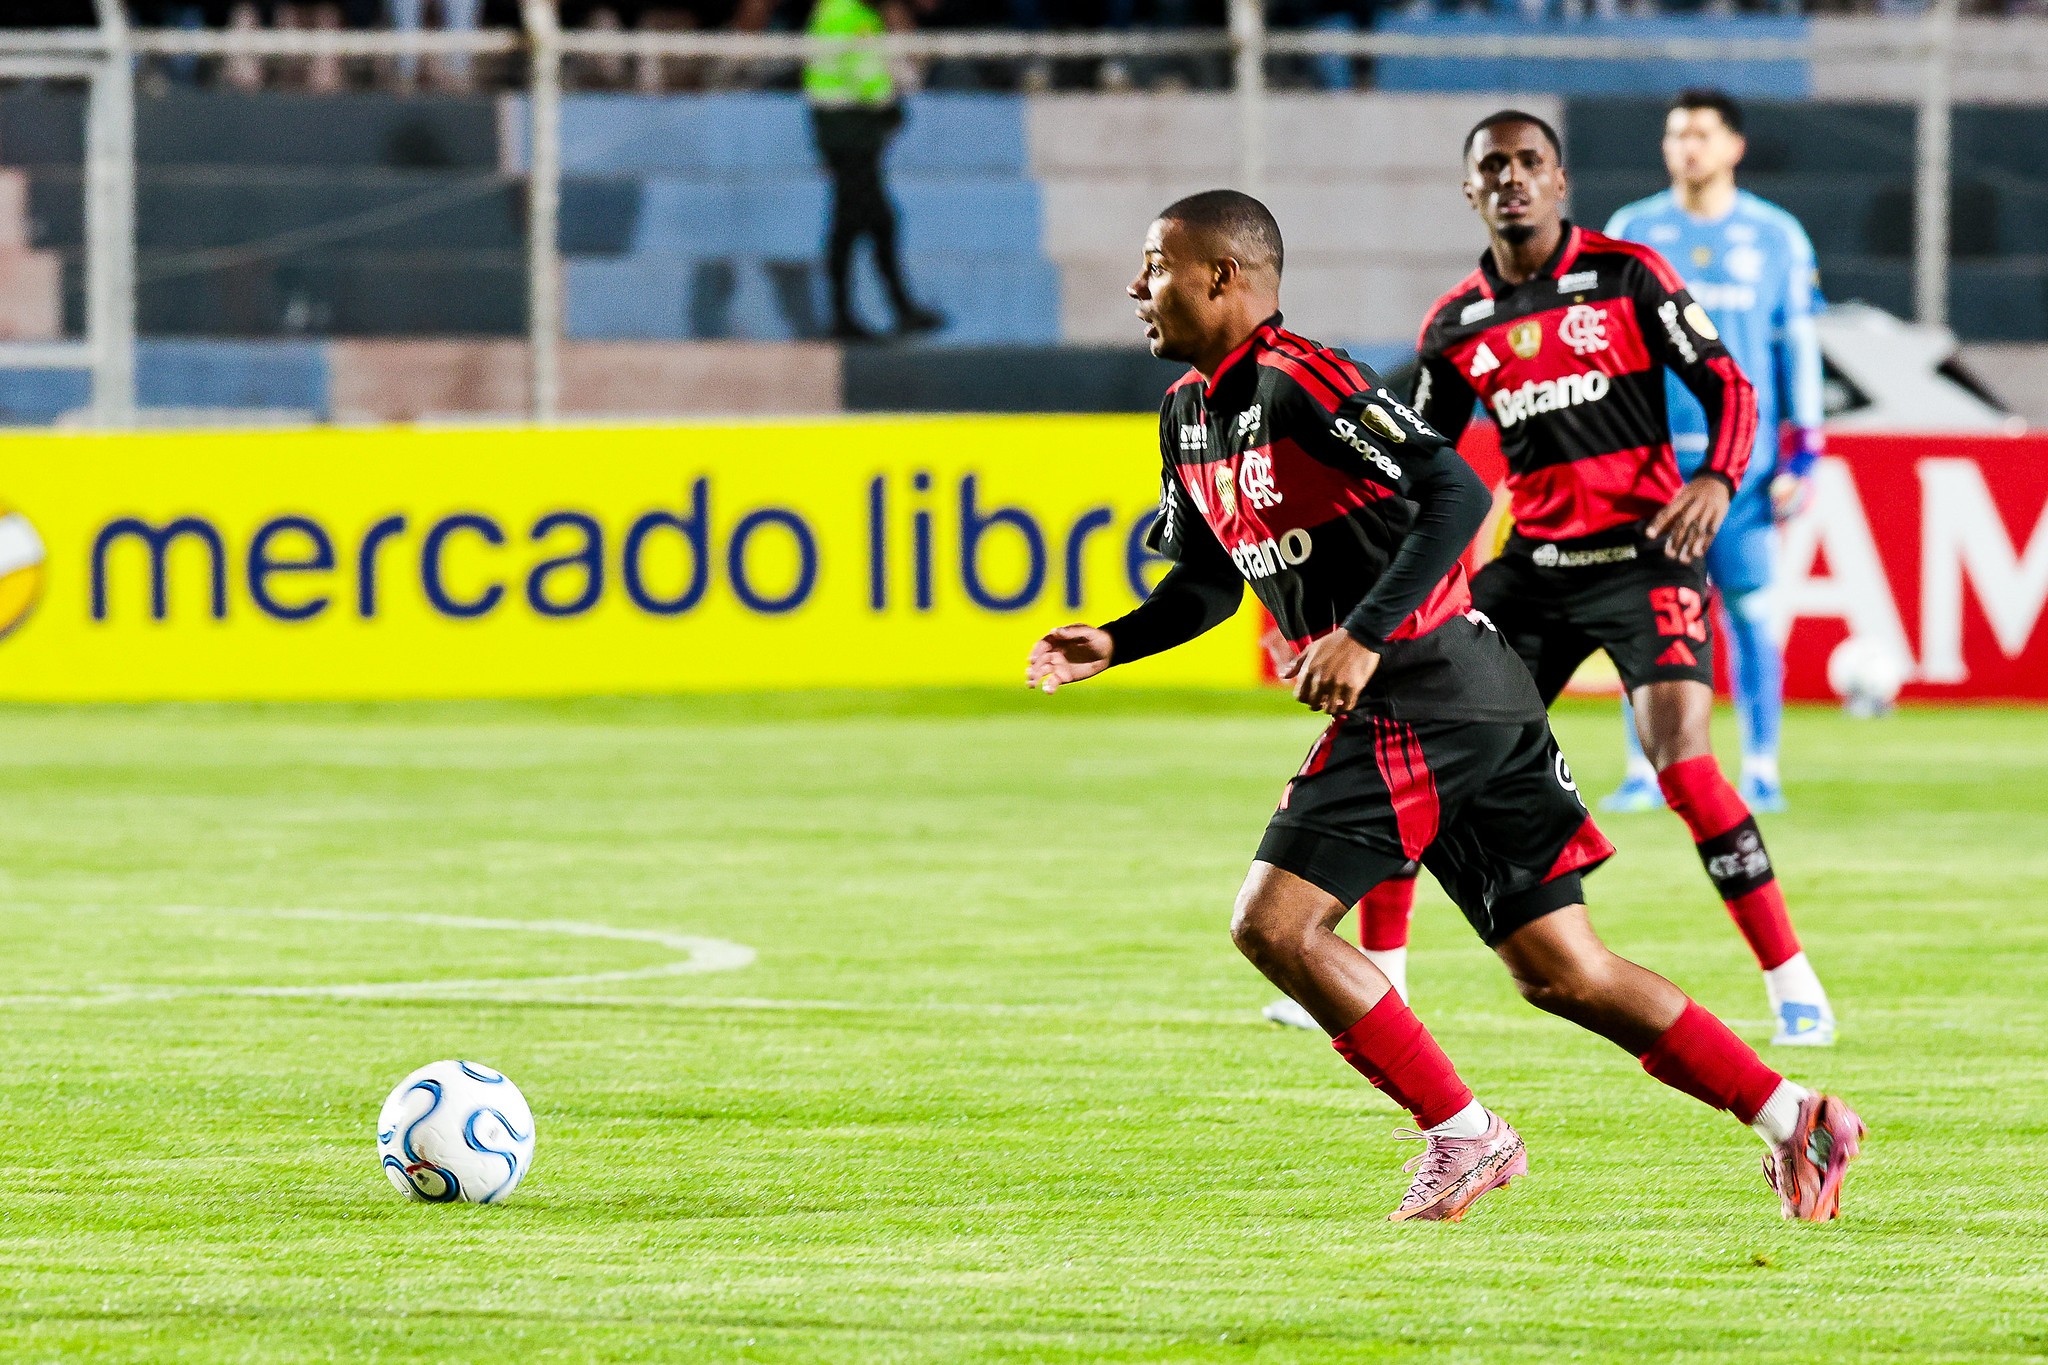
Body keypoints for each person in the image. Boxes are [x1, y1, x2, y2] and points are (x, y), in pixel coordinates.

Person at [1026, 188, 1863, 1224]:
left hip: (1422, 691)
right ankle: (1796, 1119)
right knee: (1564, 971)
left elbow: (1453, 493)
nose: (1133, 286)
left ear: (1220, 276)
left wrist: (1363, 633)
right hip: (1469, 700)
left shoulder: (1304, 379)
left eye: (1152, 265)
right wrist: (1113, 639)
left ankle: (1463, 1136)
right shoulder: (1188, 414)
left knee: (1272, 924)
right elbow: (1203, 586)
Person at [1398, 110, 1835, 1048]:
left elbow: (1731, 384)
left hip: (1645, 557)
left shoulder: (1628, 275)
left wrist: (1718, 477)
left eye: (1530, 162)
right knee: (1416, 742)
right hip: (1537, 572)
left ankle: (1792, 980)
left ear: (1560, 182)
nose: (1512, 178)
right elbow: (1420, 465)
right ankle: (1384, 971)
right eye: (1492, 167)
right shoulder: (1456, 324)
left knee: (1681, 760)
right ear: (1470, 191)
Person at [1600, 89, 1826, 819]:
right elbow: (1605, 350)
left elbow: (1799, 346)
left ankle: (1761, 768)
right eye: (1675, 135)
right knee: (1647, 620)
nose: (1685, 147)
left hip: (1743, 468)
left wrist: (1804, 451)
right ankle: (1644, 771)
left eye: (1700, 134)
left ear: (1734, 146)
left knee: (1753, 616)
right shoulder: (1632, 230)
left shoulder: (1779, 237)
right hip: (1651, 467)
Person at [803, 0, 945, 341]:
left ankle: (865, 312)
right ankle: (875, 311)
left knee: (858, 222)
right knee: (865, 222)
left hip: (847, 131)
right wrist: (891, 104)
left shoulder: (849, 12)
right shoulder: (846, 14)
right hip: (848, 130)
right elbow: (867, 77)